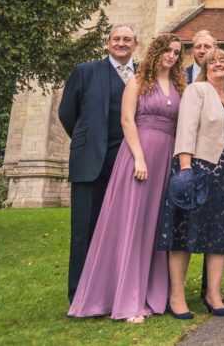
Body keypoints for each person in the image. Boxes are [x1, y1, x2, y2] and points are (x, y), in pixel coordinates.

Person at [69, 33, 185, 322]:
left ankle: (153, 292)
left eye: (176, 52)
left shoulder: (179, 86)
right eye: (166, 50)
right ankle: (126, 298)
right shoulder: (137, 81)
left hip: (166, 158)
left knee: (155, 226)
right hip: (139, 156)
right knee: (133, 224)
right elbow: (126, 120)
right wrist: (140, 157)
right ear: (155, 51)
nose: (171, 56)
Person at [158, 46, 224, 318]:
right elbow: (186, 128)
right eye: (212, 61)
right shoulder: (197, 91)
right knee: (185, 234)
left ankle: (214, 294)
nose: (218, 64)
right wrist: (185, 169)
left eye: (223, 60)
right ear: (204, 68)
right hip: (198, 170)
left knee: (219, 235)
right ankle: (177, 296)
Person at [58, 24, 138, 302]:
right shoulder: (85, 71)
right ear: (107, 43)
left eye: (127, 39)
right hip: (90, 162)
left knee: (121, 230)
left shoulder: (142, 75)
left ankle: (113, 291)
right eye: (116, 39)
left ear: (135, 45)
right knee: (84, 230)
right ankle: (78, 293)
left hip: (127, 163)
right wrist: (88, 140)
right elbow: (68, 113)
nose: (121, 43)